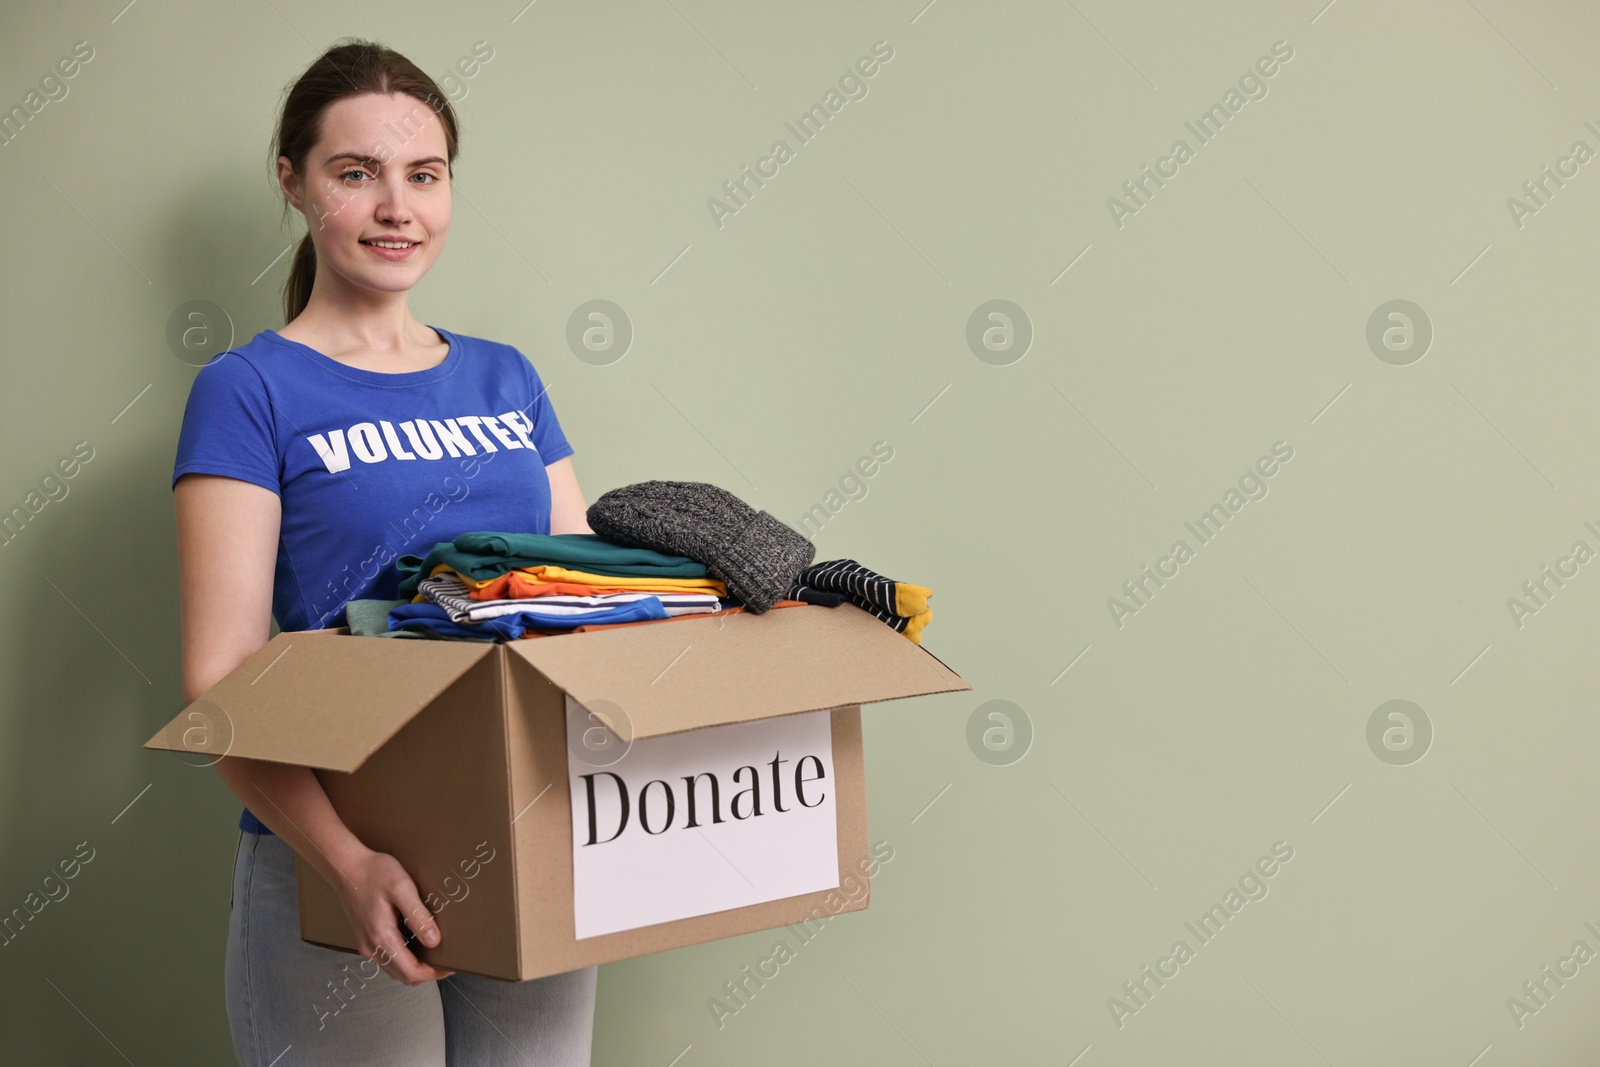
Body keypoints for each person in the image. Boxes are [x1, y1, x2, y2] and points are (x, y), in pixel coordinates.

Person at [172, 39, 598, 1066]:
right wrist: (347, 863)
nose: (396, 206)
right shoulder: (250, 390)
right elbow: (220, 680)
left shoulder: (507, 378)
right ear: (294, 181)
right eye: (356, 172)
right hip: (336, 851)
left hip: (525, 835)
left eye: (424, 175)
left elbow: (586, 604)